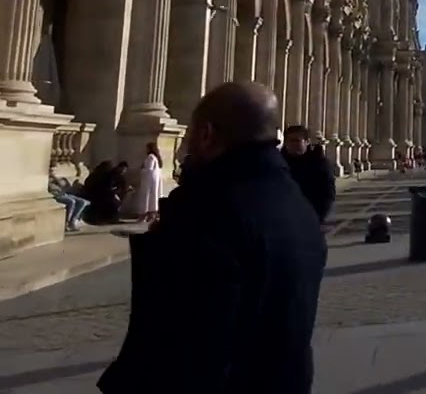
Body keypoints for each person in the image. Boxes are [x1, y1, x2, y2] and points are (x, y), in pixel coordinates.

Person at [98, 82, 328, 394]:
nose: (185, 147)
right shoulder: (299, 206)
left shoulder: (206, 211)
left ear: (206, 135)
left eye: (189, 135)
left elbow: (179, 348)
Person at [282, 125, 337, 223]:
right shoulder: (279, 163)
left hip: (310, 218)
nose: (292, 144)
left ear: (307, 142)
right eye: (289, 141)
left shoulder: (318, 163)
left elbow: (328, 192)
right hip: (282, 218)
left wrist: (318, 216)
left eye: (297, 141)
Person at [138, 142, 164, 224]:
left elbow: (149, 169)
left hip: (148, 181)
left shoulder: (150, 157)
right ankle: (152, 215)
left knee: (147, 198)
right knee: (153, 198)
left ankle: (144, 215)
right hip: (154, 181)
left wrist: (142, 169)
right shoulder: (156, 158)